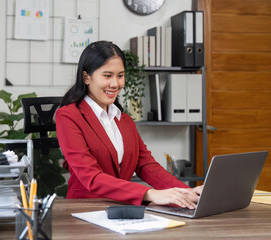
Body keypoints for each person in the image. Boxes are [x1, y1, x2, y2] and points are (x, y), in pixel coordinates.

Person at [55, 40, 202, 209]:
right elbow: (91, 177)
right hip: (85, 210)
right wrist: (150, 193)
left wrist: (186, 193)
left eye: (120, 75)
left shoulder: (124, 119)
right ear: (86, 77)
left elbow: (146, 165)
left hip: (122, 209)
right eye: (107, 76)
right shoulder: (68, 116)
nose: (115, 84)